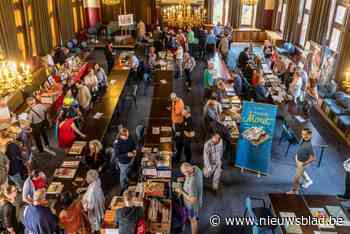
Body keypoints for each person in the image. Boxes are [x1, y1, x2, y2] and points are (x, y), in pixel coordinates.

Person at [175, 163, 203, 234]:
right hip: (198, 199)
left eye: (184, 173)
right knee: (193, 217)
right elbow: (190, 175)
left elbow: (193, 200)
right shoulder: (196, 168)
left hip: (192, 206)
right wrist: (184, 179)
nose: (184, 174)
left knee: (193, 221)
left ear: (188, 172)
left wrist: (181, 191)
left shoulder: (192, 183)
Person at [288, 128, 316, 194]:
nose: (304, 136)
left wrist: (303, 164)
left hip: (302, 163)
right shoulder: (303, 140)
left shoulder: (309, 146)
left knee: (296, 178)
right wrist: (297, 156)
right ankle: (308, 181)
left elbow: (313, 158)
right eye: (303, 134)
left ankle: (295, 191)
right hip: (299, 160)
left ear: (310, 135)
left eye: (306, 134)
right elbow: (301, 148)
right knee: (300, 174)